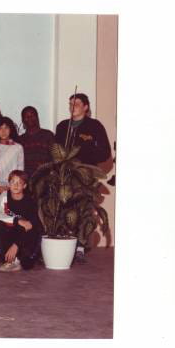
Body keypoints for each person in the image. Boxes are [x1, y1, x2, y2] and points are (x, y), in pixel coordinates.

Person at [54, 93, 112, 263]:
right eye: (70, 103)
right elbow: (55, 150)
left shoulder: (95, 126)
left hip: (86, 175)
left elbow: (105, 152)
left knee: (84, 210)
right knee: (66, 208)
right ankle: (65, 243)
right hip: (65, 175)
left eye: (77, 103)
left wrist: (85, 156)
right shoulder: (62, 126)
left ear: (86, 107)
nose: (72, 106)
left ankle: (80, 246)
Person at [0, 116, 24, 252]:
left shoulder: (18, 148)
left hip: (12, 187)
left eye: (6, 128)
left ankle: (10, 246)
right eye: (0, 128)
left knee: (10, 215)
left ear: (11, 130)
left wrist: (11, 187)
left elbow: (20, 169)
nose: (3, 131)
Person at [0, 170, 40, 272]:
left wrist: (16, 245)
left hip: (24, 237)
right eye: (13, 182)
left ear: (24, 186)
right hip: (11, 232)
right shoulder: (5, 196)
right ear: (9, 184)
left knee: (26, 265)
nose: (16, 185)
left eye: (19, 183)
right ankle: (10, 260)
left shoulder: (29, 202)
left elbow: (31, 227)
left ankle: (19, 257)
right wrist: (16, 220)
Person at [18, 106, 55, 178]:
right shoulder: (20, 139)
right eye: (26, 116)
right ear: (23, 120)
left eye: (32, 115)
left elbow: (55, 157)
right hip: (26, 179)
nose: (29, 118)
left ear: (37, 117)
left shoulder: (48, 135)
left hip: (46, 178)